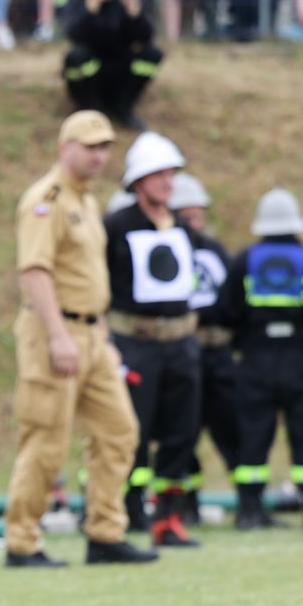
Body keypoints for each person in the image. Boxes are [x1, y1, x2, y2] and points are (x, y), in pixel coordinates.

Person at [3, 113, 154, 569]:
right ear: (63, 146)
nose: (98, 155)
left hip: (92, 334)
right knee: (46, 440)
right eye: (89, 146)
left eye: (104, 146)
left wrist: (100, 335)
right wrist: (57, 336)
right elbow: (35, 270)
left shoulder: (87, 202)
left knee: (118, 431)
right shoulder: (45, 201)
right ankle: (22, 541)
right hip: (56, 334)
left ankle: (105, 534)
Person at [214, 188, 303, 529]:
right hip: (299, 359)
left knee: (253, 436)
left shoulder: (245, 260)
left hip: (255, 358)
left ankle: (249, 511)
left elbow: (225, 312)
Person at [103, 134, 203, 547]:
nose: (167, 182)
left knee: (181, 432)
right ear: (137, 182)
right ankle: (126, 512)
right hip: (135, 343)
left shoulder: (180, 226)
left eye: (171, 174)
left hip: (181, 344)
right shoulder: (115, 227)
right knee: (132, 431)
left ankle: (169, 518)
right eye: (158, 174)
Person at [172, 172, 239, 509]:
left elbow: (233, 300)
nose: (194, 222)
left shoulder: (215, 251)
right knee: (184, 430)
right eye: (187, 216)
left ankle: (249, 501)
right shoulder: (167, 251)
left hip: (219, 354)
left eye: (198, 214)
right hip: (185, 351)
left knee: (232, 425)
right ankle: (186, 502)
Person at [62, 0, 160, 130]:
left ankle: (124, 108)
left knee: (152, 54)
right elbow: (72, 35)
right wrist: (93, 4)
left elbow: (146, 37)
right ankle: (89, 109)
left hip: (121, 67)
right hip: (91, 69)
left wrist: (133, 8)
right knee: (76, 57)